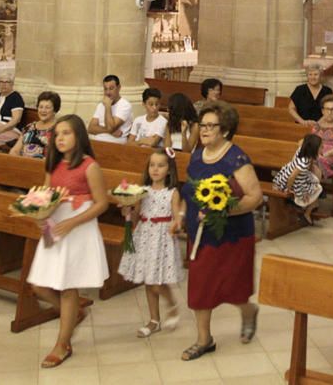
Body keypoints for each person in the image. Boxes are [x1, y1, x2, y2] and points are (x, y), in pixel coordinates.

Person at [179, 101, 262, 361]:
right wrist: (181, 215)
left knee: (233, 287)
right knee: (201, 286)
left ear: (224, 130)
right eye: (201, 125)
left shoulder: (236, 158)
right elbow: (188, 191)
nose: (204, 131)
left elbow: (255, 197)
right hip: (201, 233)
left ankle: (248, 311)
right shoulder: (196, 154)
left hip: (233, 234)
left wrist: (223, 211)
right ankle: (205, 340)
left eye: (210, 126)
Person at [27, 115, 109, 368]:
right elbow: (46, 197)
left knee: (68, 287)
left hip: (78, 227)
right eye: (57, 134)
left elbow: (102, 203)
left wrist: (73, 222)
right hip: (56, 227)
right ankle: (73, 314)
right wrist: (40, 217)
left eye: (66, 133)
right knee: (39, 285)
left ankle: (62, 344)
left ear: (79, 136)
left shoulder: (89, 165)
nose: (60, 138)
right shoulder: (52, 164)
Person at [117, 148, 184, 337]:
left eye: (161, 165)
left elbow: (176, 214)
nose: (155, 169)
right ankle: (154, 320)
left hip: (162, 238)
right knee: (148, 280)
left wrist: (176, 223)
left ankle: (171, 303)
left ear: (169, 170)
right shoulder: (142, 191)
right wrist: (127, 210)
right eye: (152, 165)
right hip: (144, 235)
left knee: (157, 282)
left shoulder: (172, 192)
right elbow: (136, 214)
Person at [272, 134, 323, 225]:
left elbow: (301, 141)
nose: (322, 149)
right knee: (318, 188)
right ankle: (305, 206)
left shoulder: (302, 149)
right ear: (314, 149)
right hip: (290, 183)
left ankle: (310, 207)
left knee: (316, 176)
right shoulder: (303, 163)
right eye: (321, 147)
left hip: (287, 176)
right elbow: (292, 177)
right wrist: (288, 189)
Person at [10, 91, 61, 159]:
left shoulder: (58, 129)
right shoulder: (29, 127)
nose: (43, 110)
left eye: (47, 107)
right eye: (41, 107)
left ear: (55, 110)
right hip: (22, 164)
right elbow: (15, 150)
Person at [88, 75, 133, 144]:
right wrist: (110, 131)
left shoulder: (125, 105)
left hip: (114, 143)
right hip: (96, 141)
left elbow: (110, 127)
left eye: (111, 88)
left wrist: (108, 106)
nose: (107, 92)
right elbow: (91, 128)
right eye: (105, 89)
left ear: (119, 88)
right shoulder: (101, 105)